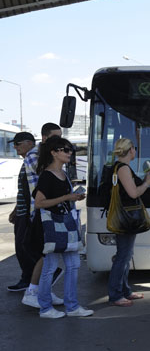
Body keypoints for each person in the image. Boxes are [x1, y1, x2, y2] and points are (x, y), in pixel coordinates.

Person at [33, 136, 92, 318]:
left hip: (65, 224)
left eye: (70, 149)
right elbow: (39, 203)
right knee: (50, 266)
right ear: (53, 153)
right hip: (51, 226)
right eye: (65, 150)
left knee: (73, 264)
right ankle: (45, 308)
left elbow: (62, 198)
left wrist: (73, 197)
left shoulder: (64, 175)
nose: (69, 152)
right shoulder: (47, 175)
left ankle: (72, 307)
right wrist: (67, 198)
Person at [105, 138, 150, 307]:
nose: (135, 152)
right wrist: (148, 183)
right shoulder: (123, 169)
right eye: (134, 149)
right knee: (123, 256)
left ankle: (125, 291)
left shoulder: (118, 167)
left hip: (123, 217)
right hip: (126, 217)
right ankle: (115, 294)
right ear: (130, 151)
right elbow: (134, 193)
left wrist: (144, 180)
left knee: (125, 255)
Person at [20, 122, 65, 308]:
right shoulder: (34, 157)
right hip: (41, 213)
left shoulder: (47, 155)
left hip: (49, 212)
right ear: (45, 138)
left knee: (50, 256)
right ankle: (32, 291)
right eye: (55, 138)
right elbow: (47, 183)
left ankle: (43, 291)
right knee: (44, 255)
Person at [7, 132, 37, 292]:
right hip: (22, 212)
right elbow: (23, 190)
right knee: (21, 247)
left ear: (29, 143)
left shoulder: (32, 159)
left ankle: (30, 280)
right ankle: (27, 279)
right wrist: (15, 209)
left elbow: (32, 190)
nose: (15, 147)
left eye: (18, 143)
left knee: (24, 246)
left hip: (27, 214)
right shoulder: (26, 160)